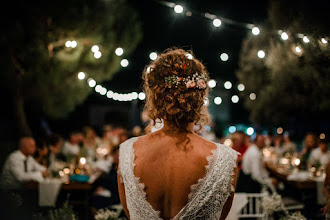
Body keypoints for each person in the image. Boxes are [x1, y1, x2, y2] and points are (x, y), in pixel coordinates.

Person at [118, 49, 239, 220]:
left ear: (154, 96)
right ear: (199, 96)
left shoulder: (127, 152)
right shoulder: (226, 160)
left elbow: (130, 214)